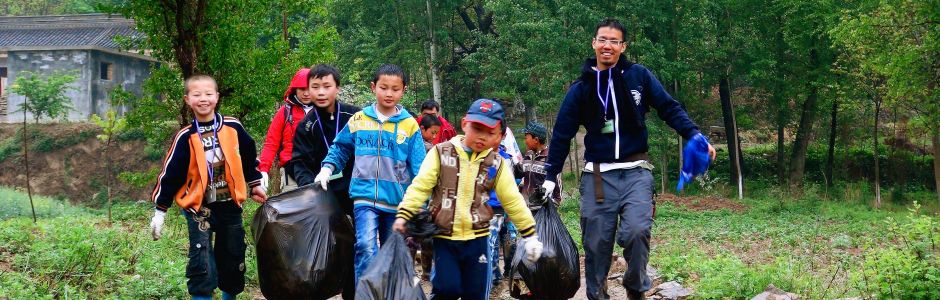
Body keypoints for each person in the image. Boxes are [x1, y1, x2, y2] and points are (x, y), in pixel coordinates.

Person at [542, 18, 716, 300]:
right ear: (594, 43)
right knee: (596, 244)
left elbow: (669, 108)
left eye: (614, 41)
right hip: (597, 176)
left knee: (637, 231)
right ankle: (597, 294)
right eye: (602, 40)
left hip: (636, 172)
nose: (607, 46)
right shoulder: (582, 88)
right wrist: (551, 176)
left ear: (623, 46)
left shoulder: (639, 76)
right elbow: (562, 133)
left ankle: (635, 289)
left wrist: (694, 134)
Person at [393, 99, 543, 300]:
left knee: (476, 293)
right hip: (445, 238)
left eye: (490, 133)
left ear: (499, 136)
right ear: (465, 124)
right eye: (477, 128)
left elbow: (513, 201)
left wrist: (530, 235)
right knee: (448, 288)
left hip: (477, 239)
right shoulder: (441, 153)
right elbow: (420, 187)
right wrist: (404, 215)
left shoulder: (496, 164)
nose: (482, 137)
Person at [149, 74, 267, 300]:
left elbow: (248, 154)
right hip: (198, 208)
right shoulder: (186, 136)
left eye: (208, 94)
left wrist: (255, 184)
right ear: (187, 99)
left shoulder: (232, 127)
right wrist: (160, 211)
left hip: (230, 204)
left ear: (217, 97)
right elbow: (170, 173)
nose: (203, 99)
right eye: (197, 94)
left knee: (233, 257)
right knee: (201, 259)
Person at [312, 64, 427, 283]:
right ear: (374, 87)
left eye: (395, 89)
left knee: (391, 253)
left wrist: (421, 201)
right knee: (365, 245)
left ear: (403, 90)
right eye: (384, 87)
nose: (389, 93)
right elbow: (340, 148)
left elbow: (420, 167)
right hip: (363, 197)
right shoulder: (359, 120)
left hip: (396, 200)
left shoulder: (410, 125)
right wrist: (327, 168)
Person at [289, 64, 359, 299]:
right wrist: (311, 188)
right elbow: (299, 162)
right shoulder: (305, 126)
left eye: (326, 86)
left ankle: (352, 292)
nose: (320, 92)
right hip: (323, 195)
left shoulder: (355, 117)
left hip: (355, 192)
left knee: (356, 247)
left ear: (337, 88)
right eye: (314, 87)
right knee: (323, 251)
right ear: (307, 90)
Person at [258, 68, 315, 192]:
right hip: (292, 170)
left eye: (309, 89)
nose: (306, 93)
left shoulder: (324, 111)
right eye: (302, 89)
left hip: (320, 170)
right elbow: (271, 143)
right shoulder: (285, 112)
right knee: (294, 210)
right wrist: (263, 170)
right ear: (295, 90)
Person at [518, 121, 561, 208]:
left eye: (526, 138)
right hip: (525, 210)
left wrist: (554, 204)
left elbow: (558, 188)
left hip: (542, 210)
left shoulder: (550, 158)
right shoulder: (527, 156)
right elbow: (522, 177)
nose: (525, 141)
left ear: (536, 140)